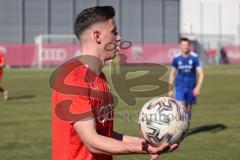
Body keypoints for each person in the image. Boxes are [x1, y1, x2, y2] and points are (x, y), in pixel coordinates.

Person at [52, 6, 178, 160]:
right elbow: (92, 141)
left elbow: (105, 134)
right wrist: (139, 148)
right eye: (114, 31)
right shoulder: (72, 79)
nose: (119, 37)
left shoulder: (101, 78)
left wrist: (145, 143)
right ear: (97, 36)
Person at [168, 37, 204, 112]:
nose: (185, 46)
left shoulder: (195, 57)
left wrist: (198, 88)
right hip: (179, 87)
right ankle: (178, 123)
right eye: (183, 44)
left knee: (188, 109)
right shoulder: (176, 58)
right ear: (180, 46)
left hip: (191, 88)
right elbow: (172, 74)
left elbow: (201, 74)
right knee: (179, 108)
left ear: (189, 46)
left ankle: (186, 123)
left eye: (187, 44)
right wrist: (170, 89)